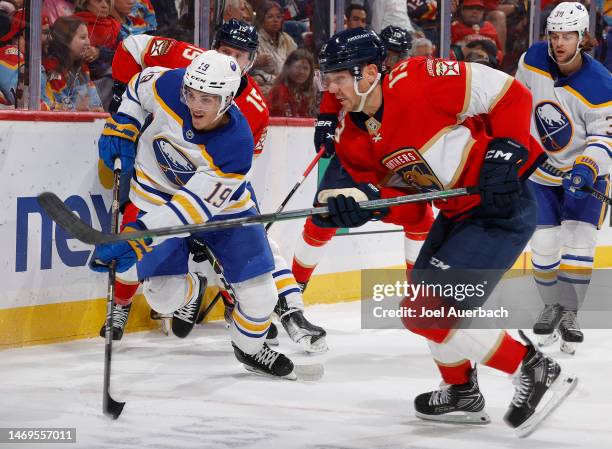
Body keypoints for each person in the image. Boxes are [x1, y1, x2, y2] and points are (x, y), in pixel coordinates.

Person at [315, 27, 576, 434]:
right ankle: (461, 392)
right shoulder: (354, 138)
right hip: (456, 214)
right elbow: (409, 207)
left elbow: (511, 93)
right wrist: (364, 209)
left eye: (337, 78)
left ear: (368, 73)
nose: (330, 90)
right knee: (420, 306)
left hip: (501, 209)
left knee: (426, 312)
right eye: (325, 79)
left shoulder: (418, 78)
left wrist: (508, 147)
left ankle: (534, 368)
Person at [102, 19, 328, 352]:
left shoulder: (254, 109)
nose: (233, 61)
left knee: (258, 242)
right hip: (159, 177)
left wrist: (202, 214)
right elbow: (133, 47)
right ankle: (129, 305)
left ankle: (286, 309)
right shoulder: (186, 62)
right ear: (211, 49)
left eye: (241, 55)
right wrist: (123, 103)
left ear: (252, 60)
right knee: (140, 247)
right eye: (226, 51)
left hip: (211, 187)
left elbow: (230, 174)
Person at [292, 28, 431, 292]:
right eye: (389, 55)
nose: (393, 62)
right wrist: (326, 119)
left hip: (393, 157)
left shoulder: (410, 81)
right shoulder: (360, 76)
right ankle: (294, 287)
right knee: (323, 214)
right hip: (353, 153)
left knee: (420, 215)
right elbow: (338, 87)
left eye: (398, 55)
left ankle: (419, 291)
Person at [514, 2, 612, 355]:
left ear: (583, 37)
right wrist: (517, 150)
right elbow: (516, 103)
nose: (558, 43)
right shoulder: (532, 59)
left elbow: (606, 138)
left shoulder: (601, 85)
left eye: (567, 36)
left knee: (579, 241)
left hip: (585, 173)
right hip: (541, 171)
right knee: (543, 244)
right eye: (554, 35)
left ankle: (570, 312)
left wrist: (586, 167)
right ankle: (551, 304)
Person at [43, 16, 103, 111]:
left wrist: (95, 109)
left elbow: (95, 103)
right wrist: (81, 110)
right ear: (65, 39)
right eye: (83, 37)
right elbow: (58, 106)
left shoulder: (83, 68)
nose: (88, 42)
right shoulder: (52, 68)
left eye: (88, 37)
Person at [250, 1, 297, 96]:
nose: (275, 20)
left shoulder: (287, 39)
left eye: (278, 17)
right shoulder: (253, 40)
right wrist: (256, 61)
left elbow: (298, 61)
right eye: (270, 17)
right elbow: (249, 71)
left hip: (289, 84)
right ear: (261, 19)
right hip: (266, 86)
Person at [267, 48, 317, 117]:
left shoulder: (304, 94)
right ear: (288, 68)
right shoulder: (279, 92)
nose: (301, 72)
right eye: (298, 67)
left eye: (305, 68)